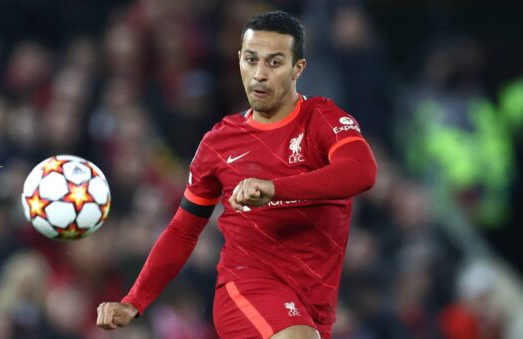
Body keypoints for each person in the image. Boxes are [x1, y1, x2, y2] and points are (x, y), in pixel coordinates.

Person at [96, 11, 377, 339]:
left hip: (314, 302)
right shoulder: (219, 142)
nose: (258, 74)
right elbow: (183, 230)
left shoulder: (323, 119)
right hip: (246, 288)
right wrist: (134, 301)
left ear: (297, 68)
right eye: (250, 60)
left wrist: (275, 188)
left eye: (274, 63)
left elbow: (361, 172)